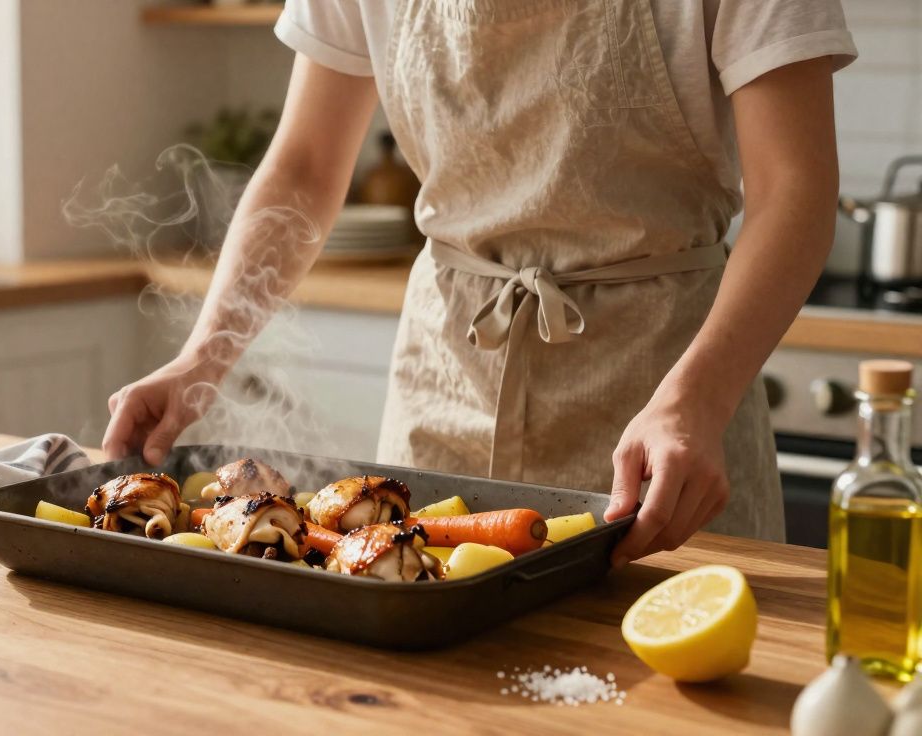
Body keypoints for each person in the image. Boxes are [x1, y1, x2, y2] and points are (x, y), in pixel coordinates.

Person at [103, 0, 857, 565]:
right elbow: (302, 169)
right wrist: (201, 358)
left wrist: (695, 399)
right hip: (444, 393)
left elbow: (796, 190)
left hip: (665, 406)